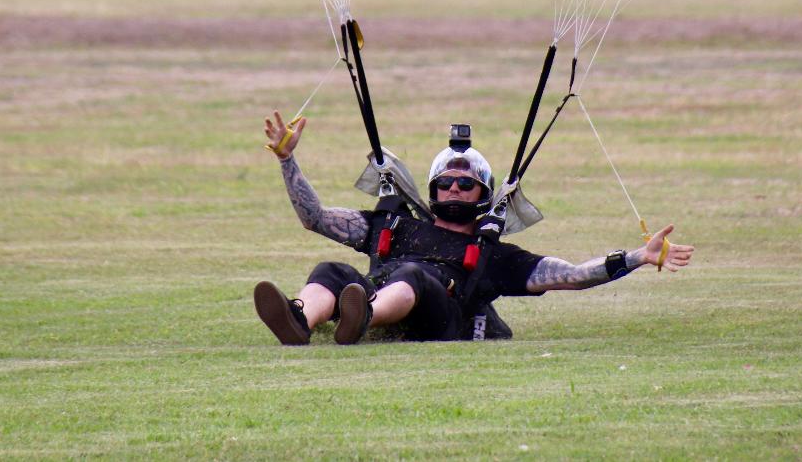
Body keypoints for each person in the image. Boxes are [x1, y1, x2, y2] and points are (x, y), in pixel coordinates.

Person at [254, 110, 695, 345]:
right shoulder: (392, 224)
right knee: (331, 269)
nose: (455, 189)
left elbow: (573, 276)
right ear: (432, 190)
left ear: (483, 194)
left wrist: (638, 257)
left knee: (413, 276)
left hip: (439, 312)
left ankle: (363, 317)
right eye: (446, 183)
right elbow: (314, 218)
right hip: (371, 289)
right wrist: (286, 159)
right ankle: (300, 321)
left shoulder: (495, 256)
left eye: (467, 184)